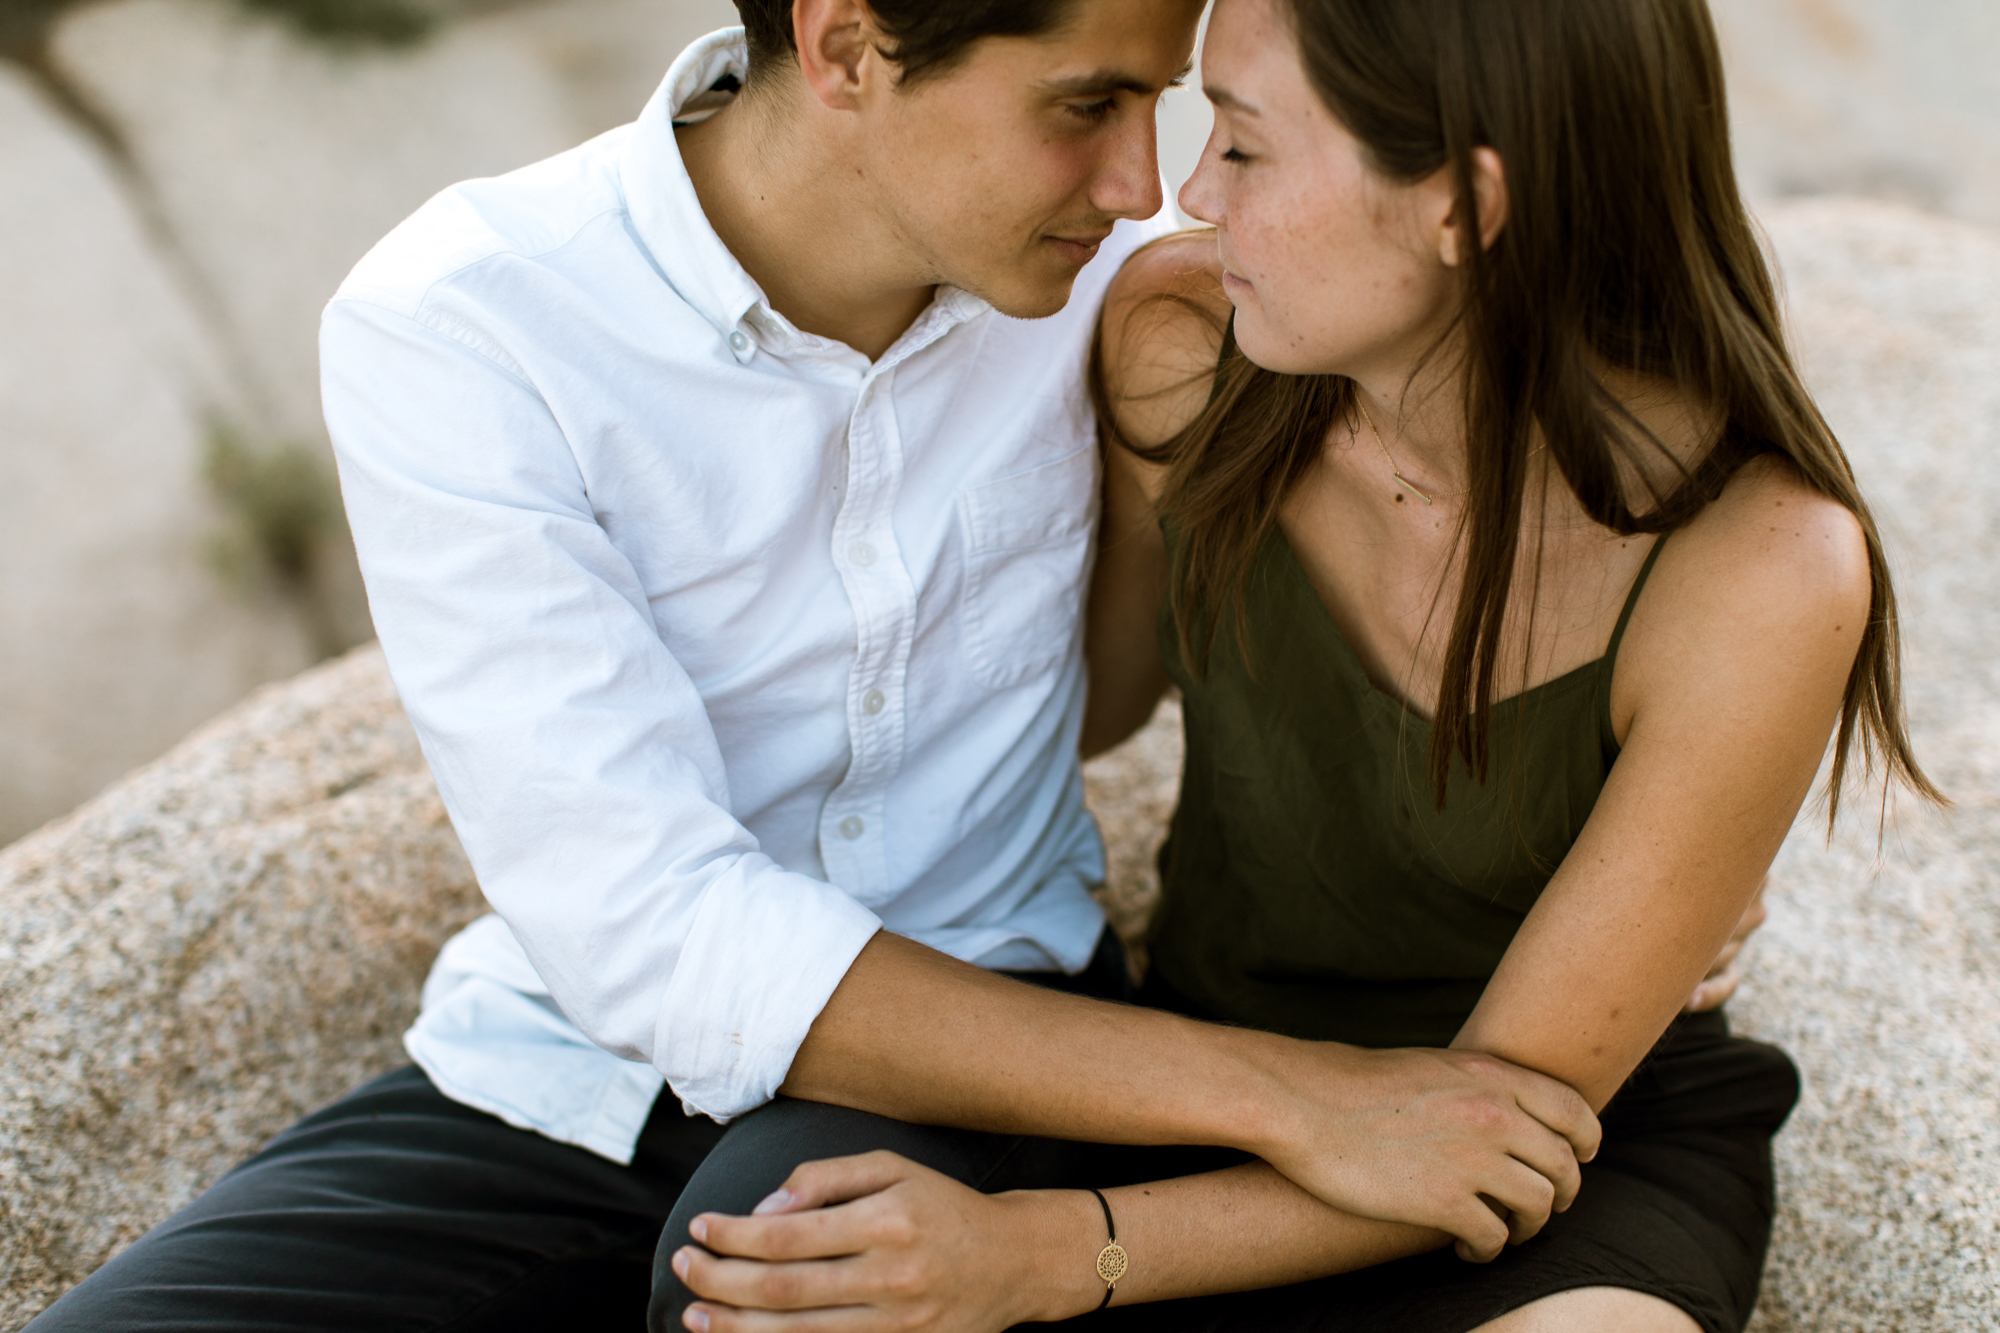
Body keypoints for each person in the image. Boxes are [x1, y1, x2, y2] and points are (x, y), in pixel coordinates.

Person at [25, 2, 1698, 1330]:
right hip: (558, 1067)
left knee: (784, 1275)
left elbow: (1486, 456)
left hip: (989, 1050)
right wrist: (1303, 1098)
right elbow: (652, 931)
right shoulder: (466, 322)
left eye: (1170, 110)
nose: (1141, 182)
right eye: (1085, 104)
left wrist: (1647, 827)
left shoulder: (1161, 298)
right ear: (844, 46)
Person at [658, 0, 1939, 1331]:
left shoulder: (1763, 567)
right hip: (1221, 1100)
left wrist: (1042, 1254)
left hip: (1561, 1155)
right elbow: (1085, 706)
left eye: (1247, 146)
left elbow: (1491, 1121)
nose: (1189, 193)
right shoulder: (1186, 352)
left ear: (1463, 204)